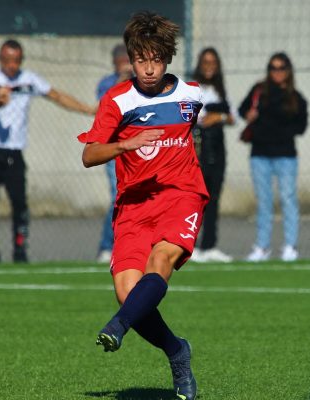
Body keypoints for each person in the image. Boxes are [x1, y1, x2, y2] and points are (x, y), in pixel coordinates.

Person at [79, 12, 209, 400]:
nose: (148, 69)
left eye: (155, 59)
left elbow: (189, 131)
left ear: (167, 58)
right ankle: (176, 350)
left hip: (181, 196)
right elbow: (89, 155)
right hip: (134, 205)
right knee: (127, 291)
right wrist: (124, 145)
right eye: (140, 60)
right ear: (130, 60)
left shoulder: (192, 95)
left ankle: (118, 327)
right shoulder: (117, 100)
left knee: (161, 263)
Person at [0, 39, 94, 263]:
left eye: (16, 60)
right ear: (0, 60)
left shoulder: (29, 80)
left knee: (19, 203)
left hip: (14, 152)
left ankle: (20, 250)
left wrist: (89, 110)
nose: (12, 65)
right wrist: (0, 99)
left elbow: (57, 96)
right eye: (7, 60)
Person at [238, 52, 308, 262]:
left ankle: (290, 246)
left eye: (281, 68)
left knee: (287, 199)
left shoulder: (295, 97)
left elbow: (302, 126)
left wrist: (283, 131)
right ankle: (262, 246)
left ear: (288, 71)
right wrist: (249, 116)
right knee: (264, 202)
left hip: (286, 155)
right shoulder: (259, 90)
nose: (277, 72)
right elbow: (242, 109)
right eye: (273, 68)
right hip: (260, 154)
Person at [190, 47, 235, 263]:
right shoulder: (192, 88)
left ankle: (210, 245)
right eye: (205, 63)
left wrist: (220, 117)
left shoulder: (221, 89)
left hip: (216, 147)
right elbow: (190, 115)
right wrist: (208, 117)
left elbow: (232, 117)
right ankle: (191, 245)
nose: (209, 67)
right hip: (198, 144)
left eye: (213, 63)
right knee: (196, 198)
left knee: (214, 197)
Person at [95, 44, 133, 263]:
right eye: (122, 61)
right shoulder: (107, 84)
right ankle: (107, 246)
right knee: (117, 197)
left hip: (136, 148)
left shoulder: (140, 84)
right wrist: (121, 80)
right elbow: (105, 107)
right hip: (113, 149)